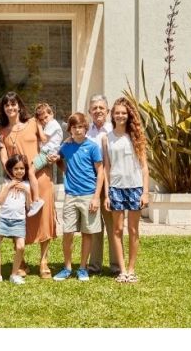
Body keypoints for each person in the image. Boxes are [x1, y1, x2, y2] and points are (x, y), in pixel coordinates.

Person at [0, 92, 54, 278]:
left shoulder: (32, 123)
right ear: (3, 109)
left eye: (14, 104)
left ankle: (43, 260)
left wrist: (53, 156)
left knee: (44, 218)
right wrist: (14, 178)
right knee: (17, 217)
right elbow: (4, 158)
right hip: (19, 179)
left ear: (19, 106)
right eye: (7, 105)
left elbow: (49, 141)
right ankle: (20, 260)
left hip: (41, 177)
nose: (11, 108)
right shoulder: (2, 132)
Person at [55, 112, 106, 282]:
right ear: (70, 129)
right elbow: (58, 159)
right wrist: (65, 170)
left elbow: (100, 171)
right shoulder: (66, 146)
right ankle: (67, 267)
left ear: (85, 128)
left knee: (87, 233)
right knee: (68, 232)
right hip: (70, 195)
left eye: (81, 127)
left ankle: (83, 268)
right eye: (74, 127)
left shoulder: (92, 147)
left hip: (89, 195)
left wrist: (96, 197)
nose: (78, 130)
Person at [104, 98, 151, 283]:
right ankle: (122, 270)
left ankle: (131, 269)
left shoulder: (136, 137)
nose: (120, 116)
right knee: (117, 229)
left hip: (135, 188)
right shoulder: (106, 138)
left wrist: (145, 192)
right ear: (112, 115)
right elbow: (107, 168)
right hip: (116, 188)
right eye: (117, 113)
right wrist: (107, 193)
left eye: (124, 113)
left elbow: (145, 167)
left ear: (128, 114)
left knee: (133, 229)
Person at [0, 154, 39, 285]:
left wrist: (27, 191)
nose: (19, 171)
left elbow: (29, 206)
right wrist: (9, 187)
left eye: (22, 168)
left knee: (20, 247)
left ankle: (14, 274)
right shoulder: (6, 183)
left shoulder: (26, 185)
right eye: (16, 168)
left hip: (19, 221)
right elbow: (0, 202)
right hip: (4, 219)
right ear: (11, 169)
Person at [83, 95, 119, 274]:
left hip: (111, 185)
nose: (98, 111)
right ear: (89, 112)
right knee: (95, 227)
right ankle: (94, 266)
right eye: (94, 108)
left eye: (101, 108)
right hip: (91, 186)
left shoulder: (114, 131)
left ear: (107, 111)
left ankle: (116, 266)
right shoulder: (85, 132)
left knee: (114, 228)